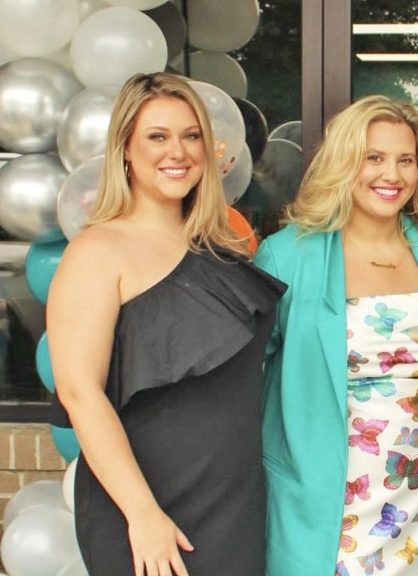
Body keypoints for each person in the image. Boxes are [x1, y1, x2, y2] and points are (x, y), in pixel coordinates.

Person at [49, 72, 284, 576]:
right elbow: (79, 392)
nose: (177, 152)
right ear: (125, 149)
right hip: (146, 505)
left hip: (233, 502)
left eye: (191, 135)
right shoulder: (96, 251)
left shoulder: (221, 248)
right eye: (157, 136)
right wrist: (142, 514)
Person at [255, 95, 418, 576]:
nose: (391, 174)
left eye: (405, 160)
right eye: (374, 157)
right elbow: (242, 381)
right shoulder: (287, 256)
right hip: (326, 508)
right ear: (344, 161)